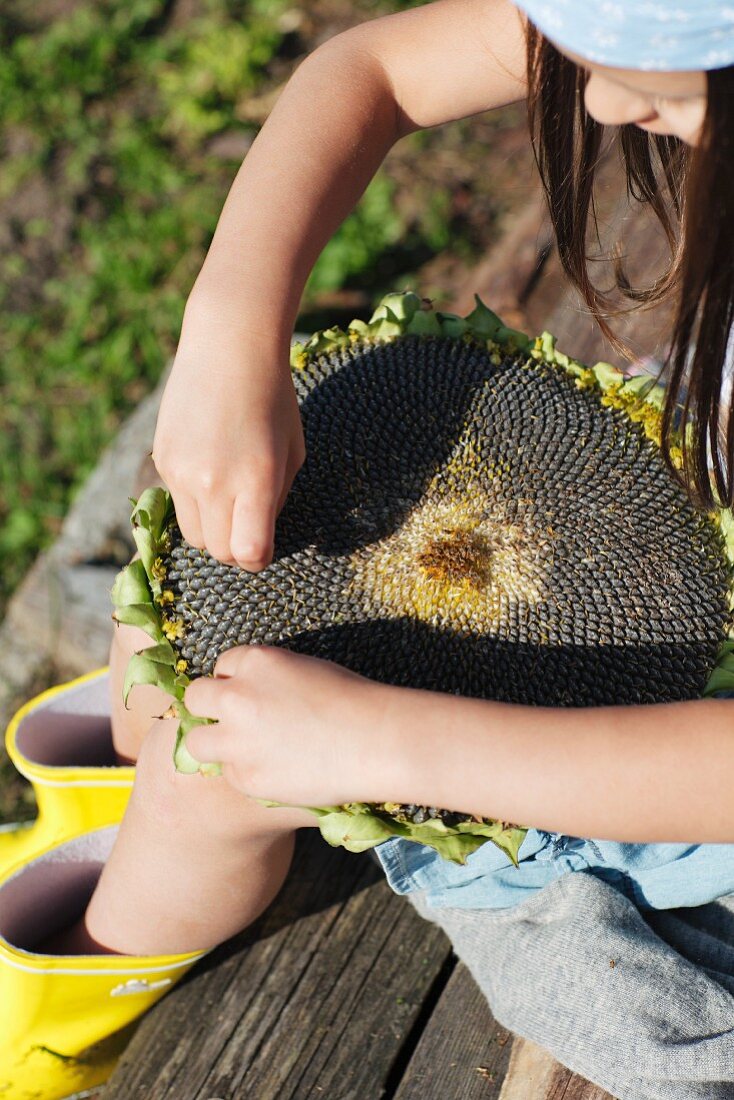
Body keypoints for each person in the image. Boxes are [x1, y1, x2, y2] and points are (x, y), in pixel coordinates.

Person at [43, 2, 734, 1096]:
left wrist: (386, 743)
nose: (598, 100)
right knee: (173, 621)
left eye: (667, 79)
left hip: (679, 769)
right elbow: (367, 70)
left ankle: (68, 1012)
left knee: (203, 752)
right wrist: (229, 326)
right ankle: (127, 793)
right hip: (690, 481)